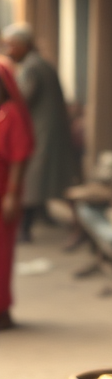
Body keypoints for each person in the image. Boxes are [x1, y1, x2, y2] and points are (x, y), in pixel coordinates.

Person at [1, 24, 76, 241]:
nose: (9, 51)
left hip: (43, 132)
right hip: (48, 131)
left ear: (24, 46)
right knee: (46, 179)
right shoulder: (39, 64)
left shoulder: (31, 68)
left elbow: (22, 98)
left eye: (11, 46)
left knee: (34, 179)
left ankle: (25, 227)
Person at [0, 57, 34, 330]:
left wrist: (11, 195)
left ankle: (2, 310)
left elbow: (19, 158)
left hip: (4, 192)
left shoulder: (11, 113)